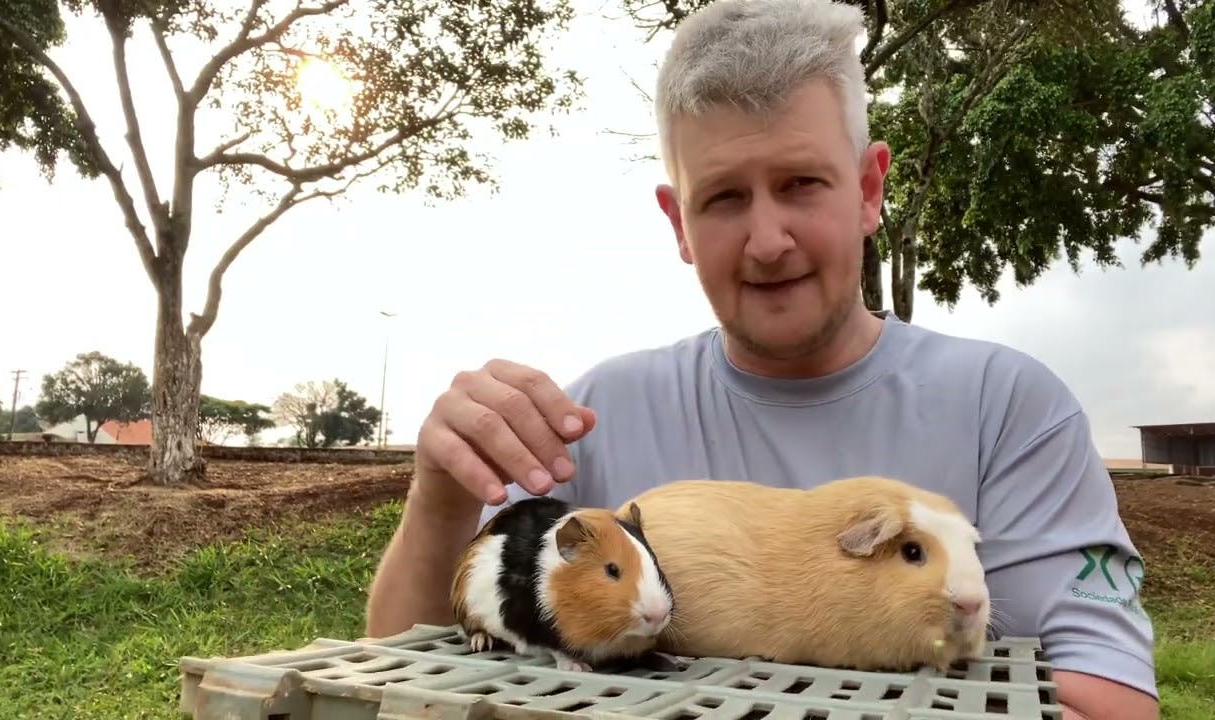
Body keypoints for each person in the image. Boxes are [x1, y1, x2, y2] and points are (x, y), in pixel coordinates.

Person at [366, 0, 1159, 717]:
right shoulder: (595, 416)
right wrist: (439, 499)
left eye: (802, 183)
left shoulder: (1010, 409)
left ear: (868, 189)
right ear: (679, 223)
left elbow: (1106, 696)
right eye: (724, 198)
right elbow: (409, 674)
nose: (769, 240)